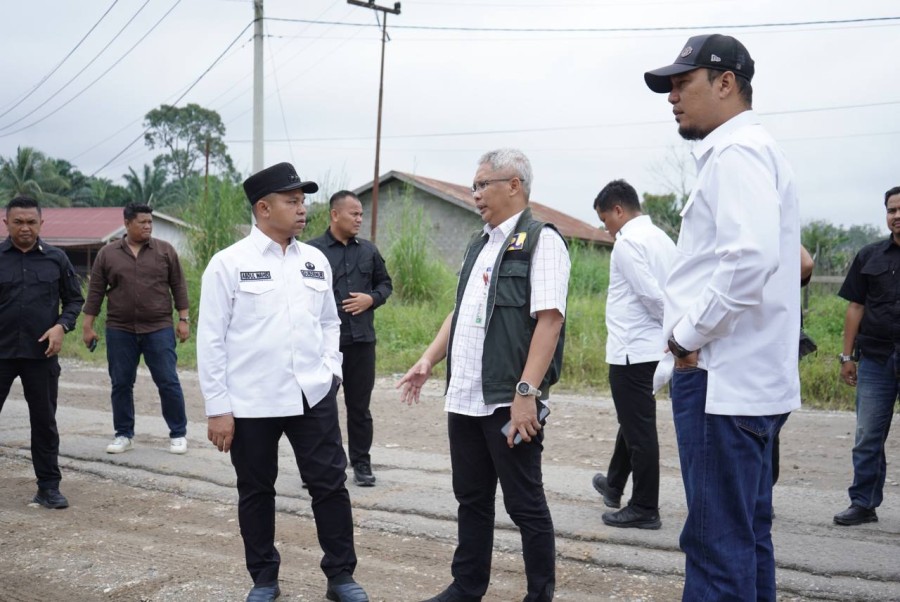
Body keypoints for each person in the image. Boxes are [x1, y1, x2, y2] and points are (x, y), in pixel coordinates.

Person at [645, 34, 801, 600]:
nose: (672, 97)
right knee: (746, 538)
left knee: (716, 548)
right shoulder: (758, 151)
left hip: (720, 381)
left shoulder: (736, 153)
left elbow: (751, 257)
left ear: (725, 83)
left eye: (682, 84)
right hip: (748, 382)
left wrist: (687, 336)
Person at [398, 149, 570, 602]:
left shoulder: (541, 241)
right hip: (465, 397)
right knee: (471, 499)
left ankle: (539, 595)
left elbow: (549, 321)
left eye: (482, 185)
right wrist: (428, 360)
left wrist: (526, 393)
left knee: (524, 505)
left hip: (507, 399)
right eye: (473, 186)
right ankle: (467, 586)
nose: (475, 195)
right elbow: (462, 311)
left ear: (514, 185)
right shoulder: (480, 243)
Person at [198, 162, 369, 602]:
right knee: (256, 491)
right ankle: (264, 579)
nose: (302, 209)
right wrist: (218, 407)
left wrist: (330, 372)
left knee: (330, 486)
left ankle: (341, 577)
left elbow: (330, 322)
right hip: (251, 403)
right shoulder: (228, 264)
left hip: (312, 396)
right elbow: (210, 341)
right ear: (263, 207)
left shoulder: (315, 261)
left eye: (303, 201)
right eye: (292, 201)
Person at [590, 179, 675, 530]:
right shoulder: (662, 239)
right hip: (652, 349)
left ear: (619, 210)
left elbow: (651, 296)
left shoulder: (628, 243)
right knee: (633, 418)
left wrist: (674, 330)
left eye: (605, 219)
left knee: (639, 429)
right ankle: (613, 483)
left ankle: (645, 507)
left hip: (633, 351)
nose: (605, 228)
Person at [82, 203, 191, 455]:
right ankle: (123, 434)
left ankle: (178, 434)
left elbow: (179, 286)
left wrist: (183, 320)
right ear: (127, 223)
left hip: (159, 327)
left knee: (168, 381)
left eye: (150, 222)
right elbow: (96, 292)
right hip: (120, 329)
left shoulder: (164, 250)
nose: (147, 226)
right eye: (142, 222)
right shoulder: (108, 254)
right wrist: (87, 326)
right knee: (120, 383)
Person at [0, 196, 83, 509]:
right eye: (18, 221)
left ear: (41, 224)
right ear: (6, 222)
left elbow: (75, 300)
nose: (25, 228)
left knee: (44, 422)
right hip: (1, 352)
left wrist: (62, 326)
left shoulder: (56, 259)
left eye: (31, 222)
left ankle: (48, 488)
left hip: (41, 354)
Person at [308, 191, 393, 487]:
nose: (359, 219)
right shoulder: (311, 252)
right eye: (353, 214)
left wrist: (371, 299)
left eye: (360, 214)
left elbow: (385, 284)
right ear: (334, 215)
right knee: (320, 406)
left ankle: (361, 464)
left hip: (361, 342)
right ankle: (319, 466)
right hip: (323, 345)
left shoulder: (368, 251)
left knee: (359, 408)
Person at [833, 186, 900, 527]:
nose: (897, 215)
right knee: (867, 436)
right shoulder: (870, 255)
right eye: (891, 210)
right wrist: (847, 356)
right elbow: (855, 307)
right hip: (875, 357)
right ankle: (863, 503)